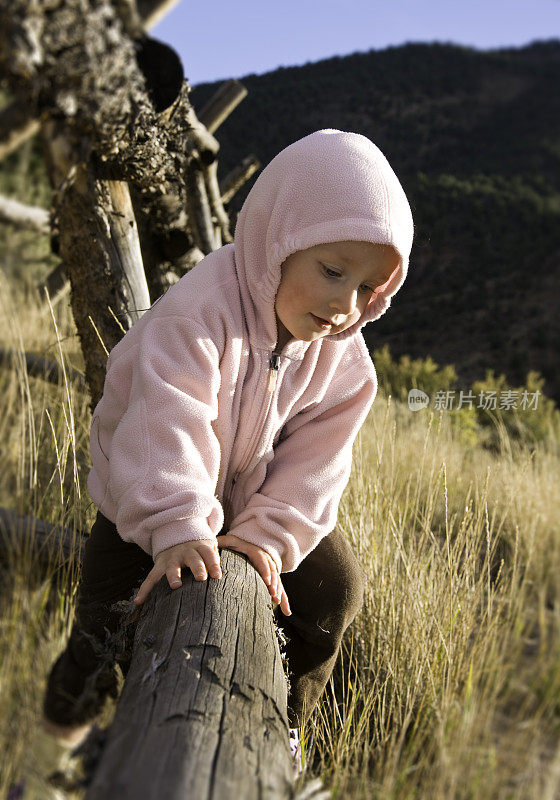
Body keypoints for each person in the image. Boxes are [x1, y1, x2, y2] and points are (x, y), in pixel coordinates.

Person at [41, 128, 413, 766]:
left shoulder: (345, 364)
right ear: (278, 239)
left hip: (249, 503)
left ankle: (285, 721)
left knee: (334, 589)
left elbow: (317, 465)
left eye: (367, 289)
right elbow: (167, 419)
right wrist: (177, 522)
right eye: (331, 271)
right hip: (151, 496)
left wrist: (268, 535)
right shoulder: (201, 312)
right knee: (107, 614)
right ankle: (66, 724)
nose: (344, 304)